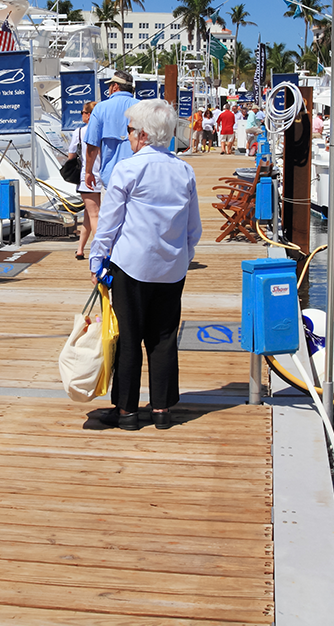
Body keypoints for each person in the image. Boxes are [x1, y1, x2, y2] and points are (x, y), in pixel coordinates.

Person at [89, 99, 202, 430]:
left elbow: (109, 223)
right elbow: (193, 229)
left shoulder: (128, 169)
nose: (127, 138)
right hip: (172, 267)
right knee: (164, 336)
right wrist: (184, 255)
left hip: (132, 265)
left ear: (141, 134)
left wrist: (98, 259)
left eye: (128, 131)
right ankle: (162, 410)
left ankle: (126, 412)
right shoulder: (184, 170)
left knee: (129, 336)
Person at [83, 70, 136, 190]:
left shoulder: (100, 108)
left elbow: (92, 144)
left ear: (115, 86)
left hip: (112, 179)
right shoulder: (142, 107)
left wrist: (88, 172)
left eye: (110, 85)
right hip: (137, 178)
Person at [67, 101, 101, 260]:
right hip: (104, 176)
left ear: (88, 115)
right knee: (88, 214)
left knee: (94, 215)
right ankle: (80, 249)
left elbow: (71, 154)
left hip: (87, 178)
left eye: (82, 112)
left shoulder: (80, 132)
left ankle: (100, 251)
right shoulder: (104, 131)